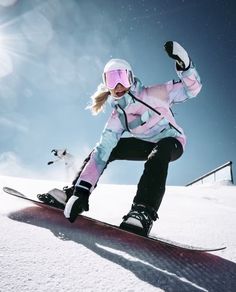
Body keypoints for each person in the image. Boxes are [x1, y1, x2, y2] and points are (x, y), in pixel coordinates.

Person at [38, 41, 202, 236]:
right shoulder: (118, 117)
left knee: (159, 155)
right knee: (107, 149)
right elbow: (101, 154)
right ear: (106, 85)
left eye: (121, 77)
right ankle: (73, 194)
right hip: (145, 144)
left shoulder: (155, 93)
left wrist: (185, 66)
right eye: (111, 80)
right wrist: (82, 191)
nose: (117, 86)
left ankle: (143, 211)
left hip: (172, 140)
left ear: (130, 78)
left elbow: (192, 89)